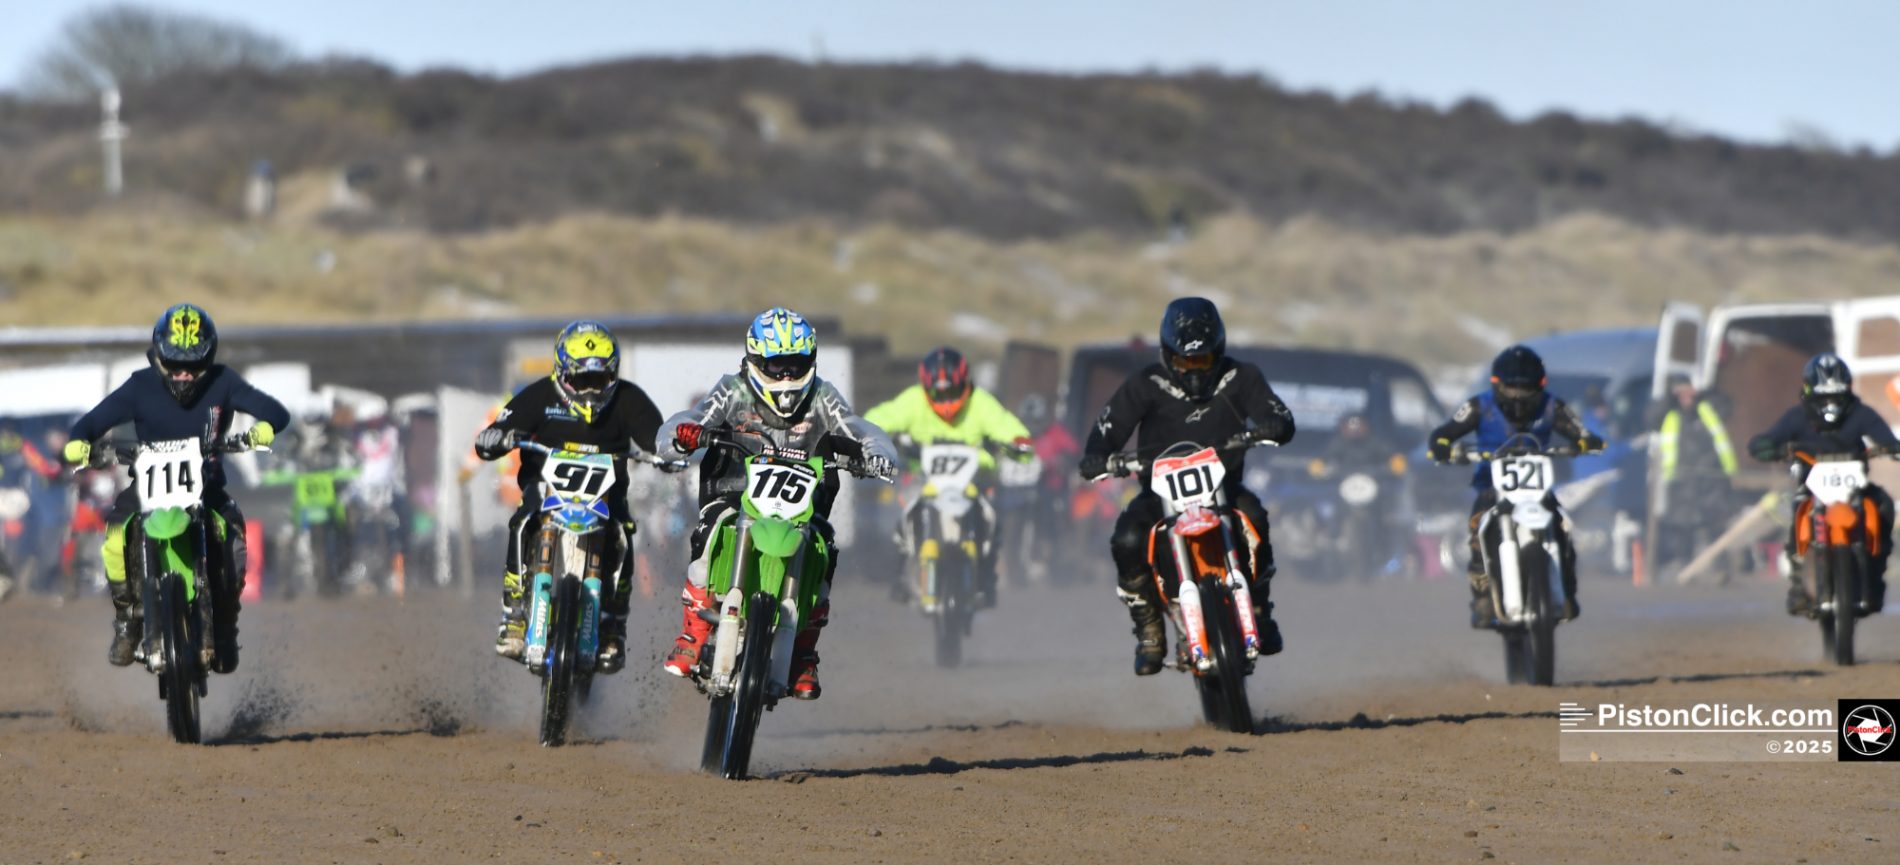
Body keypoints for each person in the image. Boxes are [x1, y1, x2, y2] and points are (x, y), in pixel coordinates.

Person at [657, 307, 898, 699]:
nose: (786, 378)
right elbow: (695, 416)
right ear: (754, 361)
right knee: (708, 532)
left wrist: (874, 449)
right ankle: (693, 633)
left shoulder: (822, 395)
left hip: (803, 506)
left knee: (825, 549)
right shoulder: (732, 389)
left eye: (795, 366)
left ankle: (804, 653)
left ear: (811, 363)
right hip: (735, 490)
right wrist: (682, 436)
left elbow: (856, 426)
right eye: (776, 366)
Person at [62, 303, 290, 672]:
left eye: (194, 364)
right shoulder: (140, 385)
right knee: (115, 539)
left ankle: (226, 625)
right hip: (147, 489)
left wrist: (263, 429)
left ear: (209, 357)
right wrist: (80, 444)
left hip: (207, 486)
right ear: (159, 355)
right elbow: (89, 423)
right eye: (175, 362)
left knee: (233, 536)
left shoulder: (223, 382)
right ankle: (127, 619)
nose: (184, 373)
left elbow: (275, 412)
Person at [1077, 297, 1294, 676]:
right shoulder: (1146, 384)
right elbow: (1106, 431)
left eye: (1203, 361)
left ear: (1219, 353)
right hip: (1158, 497)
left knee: (1256, 516)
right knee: (1127, 539)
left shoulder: (1242, 378)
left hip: (1224, 491)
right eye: (1185, 362)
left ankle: (1259, 607)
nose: (1194, 372)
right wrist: (1099, 456)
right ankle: (1149, 629)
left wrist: (1271, 426)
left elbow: (1278, 415)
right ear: (1167, 355)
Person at [471, 321, 664, 673]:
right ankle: (513, 614)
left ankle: (613, 626)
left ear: (613, 375)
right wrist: (494, 438)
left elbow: (658, 437)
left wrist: (669, 450)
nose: (591, 391)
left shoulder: (628, 399)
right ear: (561, 372)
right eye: (581, 380)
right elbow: (499, 428)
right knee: (523, 522)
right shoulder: (539, 396)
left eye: (599, 380)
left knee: (623, 535)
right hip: (545, 491)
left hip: (606, 496)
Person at [1427, 345, 1604, 627]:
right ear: (1497, 384)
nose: (1519, 397)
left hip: (1538, 490)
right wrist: (1441, 445)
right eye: (1512, 389)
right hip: (1491, 486)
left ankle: (1566, 592)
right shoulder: (1478, 406)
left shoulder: (1551, 406)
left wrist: (1585, 440)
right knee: (1476, 529)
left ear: (1540, 385)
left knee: (1563, 528)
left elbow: (1580, 430)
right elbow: (1446, 431)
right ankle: (1483, 595)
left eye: (1526, 389)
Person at [863, 346, 1032, 608]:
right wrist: (868, 435)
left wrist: (1018, 442)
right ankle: (900, 572)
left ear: (965, 385)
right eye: (937, 394)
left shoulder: (981, 402)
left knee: (990, 515)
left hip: (973, 482)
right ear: (925, 389)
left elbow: (1006, 426)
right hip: (924, 479)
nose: (945, 401)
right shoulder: (912, 401)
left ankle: (986, 573)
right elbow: (879, 418)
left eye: (951, 393)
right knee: (902, 508)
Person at [1747, 353, 1895, 616]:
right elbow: (1769, 439)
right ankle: (1798, 584)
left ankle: (1874, 574)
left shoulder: (1861, 413)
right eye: (1823, 397)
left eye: (1836, 397)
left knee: (1883, 504)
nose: (1830, 406)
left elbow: (1885, 437)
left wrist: (1891, 447)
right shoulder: (1797, 416)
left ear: (1847, 391)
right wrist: (1768, 447)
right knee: (1795, 510)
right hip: (1811, 490)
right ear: (1808, 391)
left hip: (1855, 492)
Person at [1650, 374, 1739, 570]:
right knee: (1682, 528)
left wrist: (1703, 393)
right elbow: (1651, 419)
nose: (1685, 397)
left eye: (1688, 392)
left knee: (1716, 525)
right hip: (1681, 481)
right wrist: (1669, 397)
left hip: (1712, 480)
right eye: (1680, 393)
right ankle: (1685, 569)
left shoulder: (1707, 408)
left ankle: (1721, 569)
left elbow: (1726, 406)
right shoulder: (1669, 414)